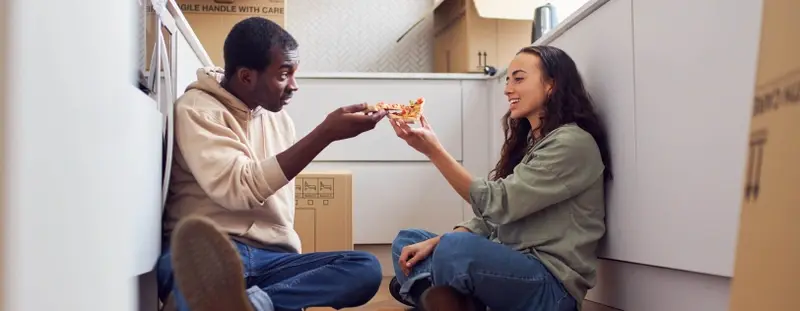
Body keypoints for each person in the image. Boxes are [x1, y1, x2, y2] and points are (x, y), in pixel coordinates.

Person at [156, 17, 387, 311]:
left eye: (294, 74)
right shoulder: (197, 110)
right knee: (185, 279)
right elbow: (240, 188)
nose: (294, 86)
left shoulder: (280, 121)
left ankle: (254, 305)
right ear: (246, 76)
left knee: (365, 267)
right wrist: (325, 133)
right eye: (283, 74)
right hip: (208, 252)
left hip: (272, 259)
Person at [387, 45, 613, 311]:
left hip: (549, 289)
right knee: (409, 241)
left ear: (551, 84)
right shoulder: (533, 143)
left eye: (518, 79)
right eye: (507, 81)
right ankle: (445, 300)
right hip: (511, 266)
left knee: (455, 249)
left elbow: (499, 204)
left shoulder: (571, 143)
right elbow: (491, 219)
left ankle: (427, 293)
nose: (507, 89)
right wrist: (436, 242)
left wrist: (434, 151)